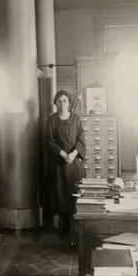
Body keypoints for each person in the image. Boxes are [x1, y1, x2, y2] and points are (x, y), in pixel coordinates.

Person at [46, 90, 86, 234]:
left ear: (69, 103)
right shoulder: (52, 120)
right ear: (55, 104)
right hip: (60, 163)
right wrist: (63, 154)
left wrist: (73, 154)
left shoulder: (76, 119)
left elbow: (81, 139)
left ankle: (77, 222)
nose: (62, 104)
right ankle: (64, 224)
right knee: (61, 193)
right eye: (59, 101)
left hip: (74, 163)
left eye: (64, 101)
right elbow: (49, 141)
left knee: (75, 190)